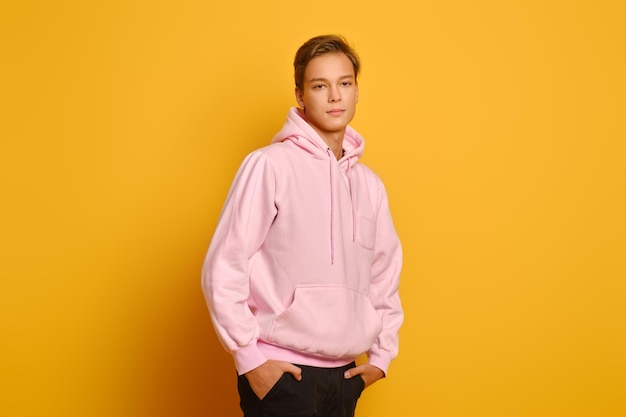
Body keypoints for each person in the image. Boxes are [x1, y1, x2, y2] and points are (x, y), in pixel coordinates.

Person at [202, 34, 403, 417]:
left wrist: (381, 356)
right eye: (319, 86)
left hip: (345, 379)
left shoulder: (370, 186)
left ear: (357, 92)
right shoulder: (269, 165)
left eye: (344, 83)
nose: (334, 96)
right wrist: (250, 360)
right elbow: (225, 265)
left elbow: (385, 276)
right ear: (300, 96)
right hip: (282, 375)